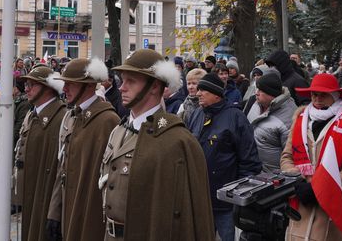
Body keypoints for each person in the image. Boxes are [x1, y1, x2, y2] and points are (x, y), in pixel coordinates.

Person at [100, 49, 214, 240]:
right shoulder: (119, 130)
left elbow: (191, 216)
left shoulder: (178, 141)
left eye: (131, 81)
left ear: (154, 86)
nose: (122, 87)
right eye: (122, 79)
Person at [280, 73, 342, 241]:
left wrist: (317, 190)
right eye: (314, 94)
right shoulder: (301, 120)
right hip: (301, 201)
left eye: (323, 94)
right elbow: (286, 156)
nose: (317, 99)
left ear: (335, 96)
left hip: (332, 205)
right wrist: (297, 181)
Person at [47, 58, 119, 241]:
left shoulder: (107, 120)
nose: (64, 89)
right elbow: (62, 168)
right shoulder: (71, 116)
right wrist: (55, 211)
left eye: (70, 84)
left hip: (90, 212)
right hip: (69, 207)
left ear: (88, 85)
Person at [188, 72, 261, 240]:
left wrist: (239, 198)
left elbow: (250, 162)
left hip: (227, 205)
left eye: (203, 90)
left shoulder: (236, 118)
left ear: (216, 94)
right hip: (201, 200)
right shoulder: (197, 114)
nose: (197, 93)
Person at [15, 66, 65, 241]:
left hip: (45, 196)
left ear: (47, 87)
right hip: (30, 192)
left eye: (32, 85)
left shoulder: (61, 116)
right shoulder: (33, 112)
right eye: (26, 84)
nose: (26, 89)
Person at [246, 71, 297, 171]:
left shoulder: (288, 117)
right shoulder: (256, 104)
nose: (256, 93)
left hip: (275, 178)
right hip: (254, 172)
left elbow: (291, 157)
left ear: (271, 94)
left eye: (261, 90)